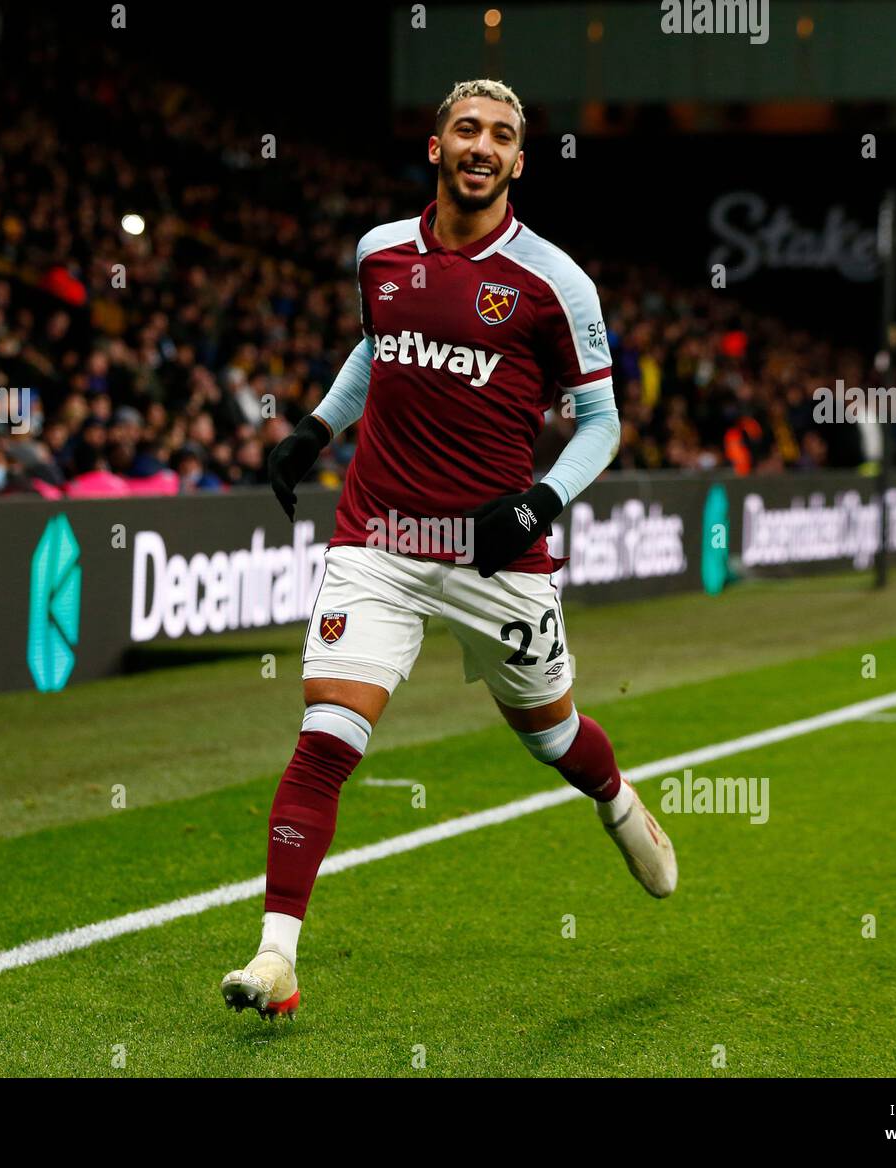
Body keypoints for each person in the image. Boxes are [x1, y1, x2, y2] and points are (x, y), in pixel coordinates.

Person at [220, 80, 678, 1022]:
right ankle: (276, 958)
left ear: (518, 163)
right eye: (465, 129)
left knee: (551, 735)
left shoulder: (556, 282)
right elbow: (375, 348)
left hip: (495, 558)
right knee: (324, 742)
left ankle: (618, 799)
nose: (482, 144)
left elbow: (601, 423)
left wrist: (540, 502)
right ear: (436, 148)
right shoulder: (379, 252)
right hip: (379, 537)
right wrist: (315, 428)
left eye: (501, 136)